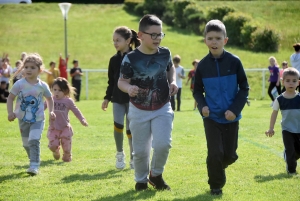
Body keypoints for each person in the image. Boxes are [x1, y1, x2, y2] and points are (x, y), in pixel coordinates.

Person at [118, 14, 178, 191]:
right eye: (153, 35)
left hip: (163, 106)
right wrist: (128, 89)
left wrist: (173, 81)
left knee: (163, 144)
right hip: (138, 109)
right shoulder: (130, 58)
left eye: (160, 34)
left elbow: (170, 68)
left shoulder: (165, 53)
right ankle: (141, 180)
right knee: (141, 151)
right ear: (140, 35)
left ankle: (156, 175)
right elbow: (121, 81)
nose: (157, 38)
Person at [193, 19, 249, 195]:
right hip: (212, 118)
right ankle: (215, 186)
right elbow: (197, 91)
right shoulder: (202, 66)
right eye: (210, 38)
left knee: (230, 155)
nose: (214, 41)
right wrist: (202, 106)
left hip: (231, 117)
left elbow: (244, 88)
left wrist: (235, 109)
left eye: (218, 38)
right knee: (215, 152)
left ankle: (218, 166)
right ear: (205, 41)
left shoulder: (234, 62)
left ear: (225, 40)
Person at [6, 53, 55, 176]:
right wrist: (10, 112)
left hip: (38, 119)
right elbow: (10, 98)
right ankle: (32, 158)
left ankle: (34, 165)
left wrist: (51, 111)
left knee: (34, 140)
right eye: (26, 67)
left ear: (40, 70)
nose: (29, 70)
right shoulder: (19, 84)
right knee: (26, 144)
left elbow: (49, 99)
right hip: (22, 119)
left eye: (32, 67)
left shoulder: (42, 86)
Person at [102, 26, 140, 170]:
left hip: (133, 100)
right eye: (113, 41)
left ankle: (133, 157)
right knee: (118, 127)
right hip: (117, 99)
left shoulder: (136, 57)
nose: (115, 43)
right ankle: (120, 154)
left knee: (131, 130)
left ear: (128, 41)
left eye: (118, 40)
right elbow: (111, 81)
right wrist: (107, 98)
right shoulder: (113, 60)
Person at [265, 67, 300, 176]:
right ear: (282, 82)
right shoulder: (279, 99)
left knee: (297, 151)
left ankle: (290, 158)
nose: (291, 83)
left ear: (298, 83)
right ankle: (291, 170)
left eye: (294, 81)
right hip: (287, 130)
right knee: (290, 150)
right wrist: (271, 128)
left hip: (299, 129)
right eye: (288, 81)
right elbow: (274, 113)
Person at [46, 77, 88, 162]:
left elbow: (76, 111)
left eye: (59, 90)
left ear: (65, 91)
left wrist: (82, 120)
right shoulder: (50, 100)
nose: (56, 92)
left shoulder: (68, 101)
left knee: (67, 147)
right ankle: (56, 151)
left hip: (65, 127)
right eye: (54, 89)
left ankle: (67, 157)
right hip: (53, 128)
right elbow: (41, 108)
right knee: (52, 145)